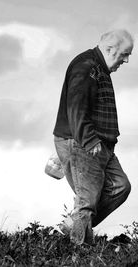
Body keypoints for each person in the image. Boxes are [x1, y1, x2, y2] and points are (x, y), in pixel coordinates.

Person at [53, 29, 134, 245]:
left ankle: (75, 226)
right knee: (87, 201)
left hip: (101, 145)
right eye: (124, 54)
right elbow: (76, 106)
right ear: (109, 49)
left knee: (120, 186)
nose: (126, 60)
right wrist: (88, 139)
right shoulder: (87, 66)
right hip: (85, 143)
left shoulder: (99, 68)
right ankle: (79, 250)